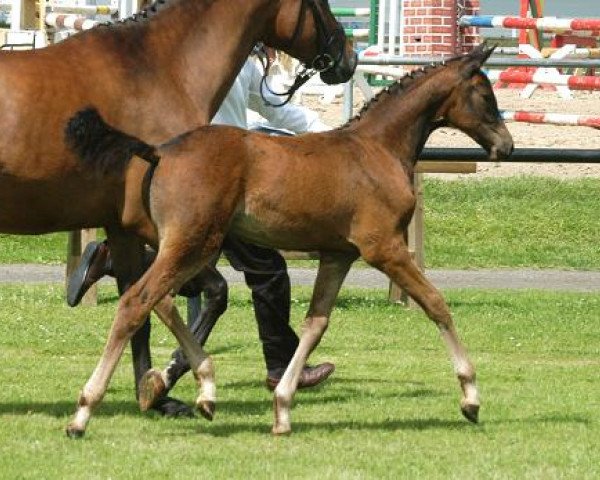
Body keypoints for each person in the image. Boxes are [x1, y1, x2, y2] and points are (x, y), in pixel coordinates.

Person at [67, 49, 335, 403]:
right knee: (265, 272)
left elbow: (274, 108)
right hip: (217, 184)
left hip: (209, 178)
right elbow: (275, 109)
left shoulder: (234, 59)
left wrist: (326, 134)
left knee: (196, 276)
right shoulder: (222, 56)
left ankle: (114, 261)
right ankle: (281, 367)